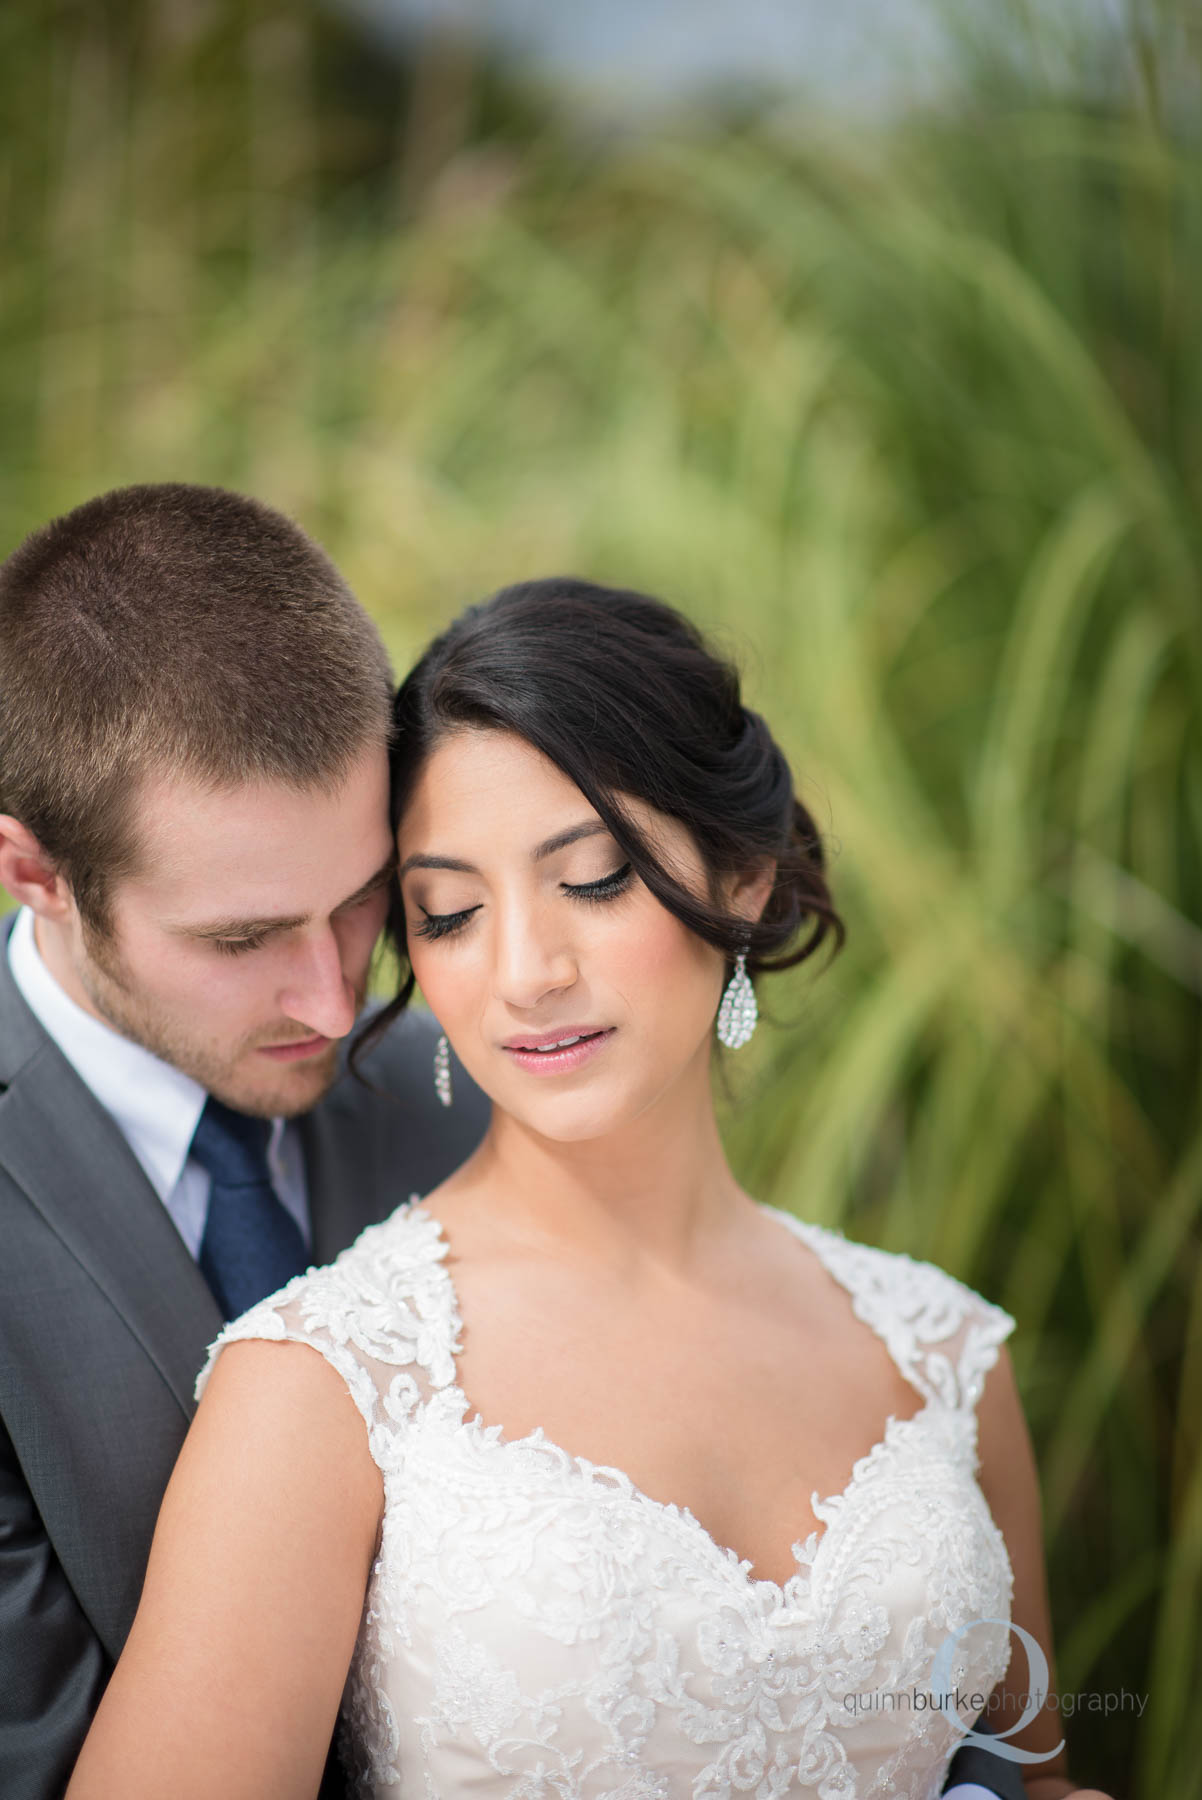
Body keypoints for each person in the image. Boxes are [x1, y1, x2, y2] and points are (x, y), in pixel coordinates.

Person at [65, 576, 1107, 1800]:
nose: (523, 973)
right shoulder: (324, 1385)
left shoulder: (940, 1355)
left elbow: (1030, 1770)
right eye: (447, 913)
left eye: (595, 878)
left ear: (743, 877)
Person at [0, 484, 489, 1800]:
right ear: (34, 873)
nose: (338, 1003)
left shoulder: (459, 1093)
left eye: (359, 902)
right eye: (240, 939)